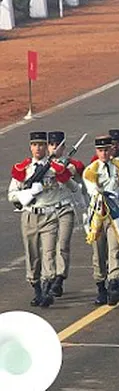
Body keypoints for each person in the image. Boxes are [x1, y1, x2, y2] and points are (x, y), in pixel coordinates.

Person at [7, 131, 73, 308]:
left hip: (49, 215)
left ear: (46, 147)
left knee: (49, 253)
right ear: (30, 147)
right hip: (30, 215)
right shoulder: (23, 168)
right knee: (32, 255)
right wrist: (29, 192)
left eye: (42, 145)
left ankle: (47, 288)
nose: (38, 148)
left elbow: (71, 185)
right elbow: (12, 195)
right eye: (35, 145)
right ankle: (36, 287)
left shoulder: (54, 168)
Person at [83, 135, 119, 306]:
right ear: (96, 151)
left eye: (106, 150)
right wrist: (108, 191)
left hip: (114, 215)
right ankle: (101, 286)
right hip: (98, 217)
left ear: (111, 150)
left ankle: (113, 282)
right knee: (99, 254)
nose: (104, 153)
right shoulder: (91, 170)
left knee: (114, 250)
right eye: (100, 150)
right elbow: (93, 191)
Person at [46, 130, 85, 298]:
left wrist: (60, 168)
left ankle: (59, 278)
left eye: (58, 145)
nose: (55, 148)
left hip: (65, 208)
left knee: (62, 244)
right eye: (52, 145)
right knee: (48, 248)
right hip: (47, 210)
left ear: (64, 148)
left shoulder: (71, 164)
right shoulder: (41, 165)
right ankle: (49, 277)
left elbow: (74, 172)